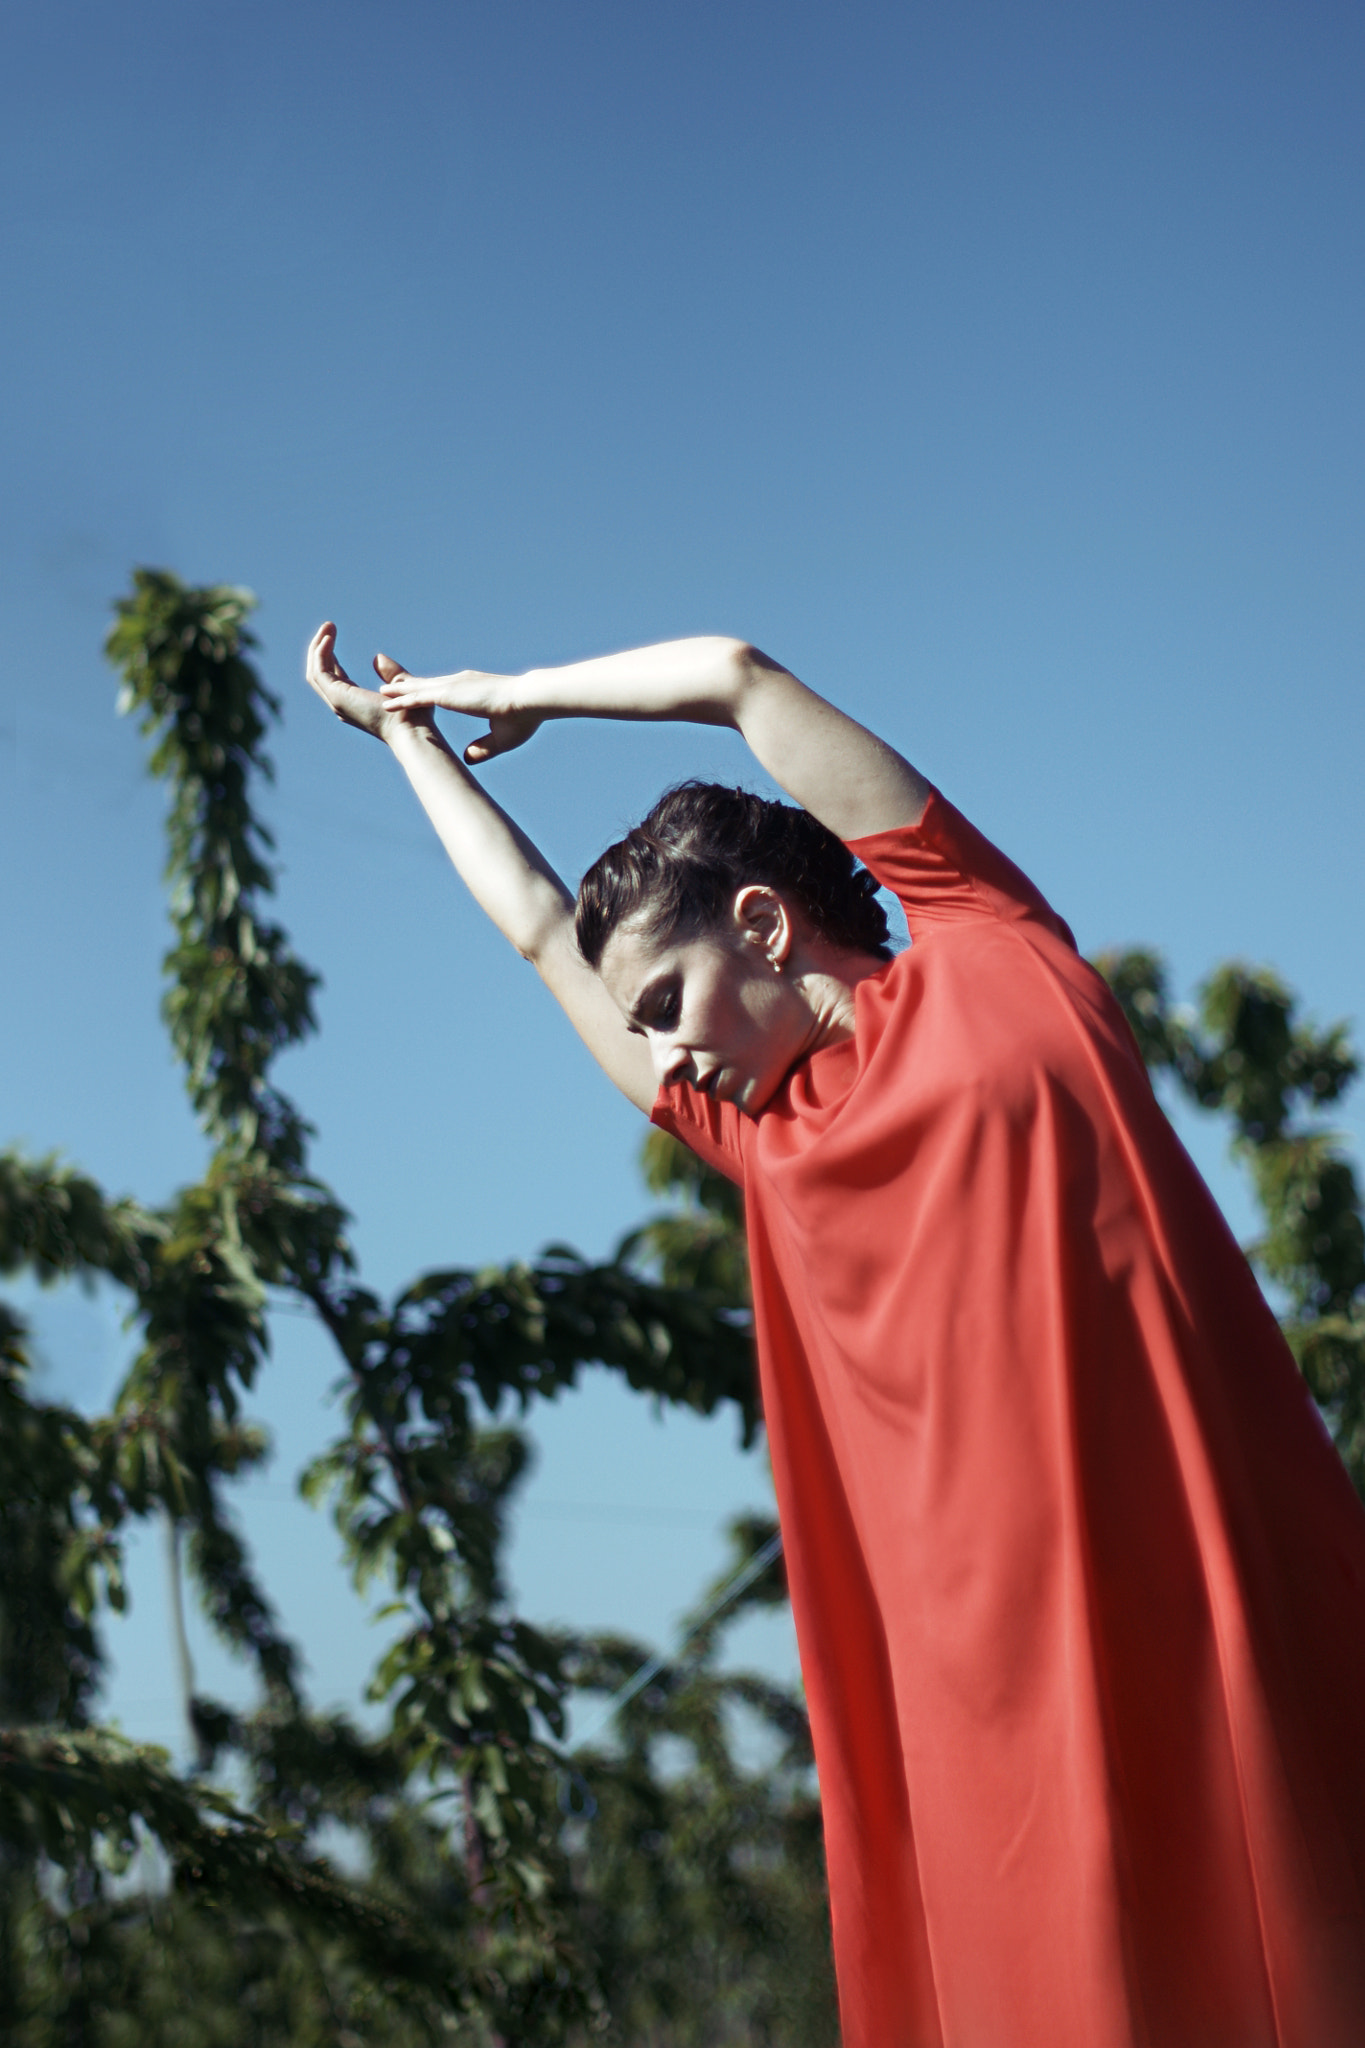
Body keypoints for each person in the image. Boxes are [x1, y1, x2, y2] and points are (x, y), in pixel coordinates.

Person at [305, 624, 1365, 2048]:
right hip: (985, 1661)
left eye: (668, 1003)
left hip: (1201, 1554)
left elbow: (741, 677)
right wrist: (407, 745)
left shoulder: (994, 946)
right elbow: (541, 933)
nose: (663, 1052)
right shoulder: (766, 1135)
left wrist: (512, 691)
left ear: (760, 923)